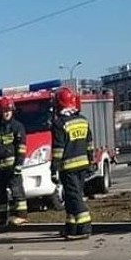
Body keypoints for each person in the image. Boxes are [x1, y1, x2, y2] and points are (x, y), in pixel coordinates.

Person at [51, 87, 94, 240]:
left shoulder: (59, 123)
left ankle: (84, 227)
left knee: (74, 197)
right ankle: (72, 227)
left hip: (68, 167)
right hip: (83, 165)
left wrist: (53, 168)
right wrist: (90, 161)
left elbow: (58, 149)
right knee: (71, 198)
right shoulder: (83, 120)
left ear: (59, 104)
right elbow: (89, 144)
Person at [0, 96, 28, 229]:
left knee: (17, 191)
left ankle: (21, 216)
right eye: (4, 111)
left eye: (9, 110)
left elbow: (21, 148)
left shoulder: (17, 127)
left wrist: (19, 165)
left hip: (12, 166)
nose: (7, 113)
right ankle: (1, 218)